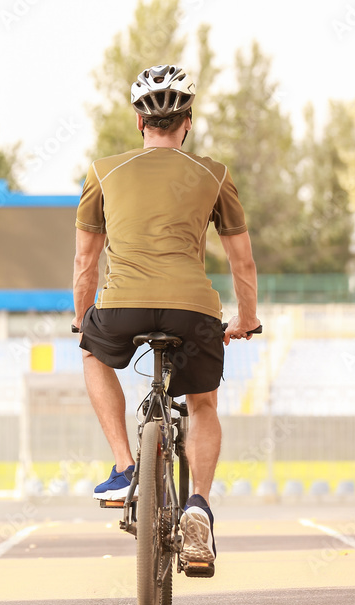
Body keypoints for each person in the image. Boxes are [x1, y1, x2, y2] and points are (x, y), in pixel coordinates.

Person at [71, 64, 260, 572]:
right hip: (193, 307)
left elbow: (85, 262)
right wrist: (246, 319)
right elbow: (242, 261)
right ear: (188, 122)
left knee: (92, 352)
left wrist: (81, 319)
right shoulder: (214, 173)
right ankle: (197, 503)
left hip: (121, 304)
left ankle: (125, 467)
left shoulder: (102, 171)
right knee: (201, 404)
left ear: (139, 123)